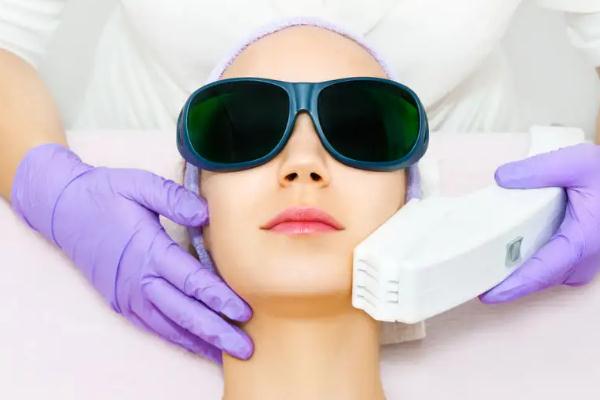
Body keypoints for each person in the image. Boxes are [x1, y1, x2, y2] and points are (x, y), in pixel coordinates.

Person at [1, 0, 600, 369]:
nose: (303, 167)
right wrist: (49, 186)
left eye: (355, 134)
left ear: (413, 193)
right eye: (257, 136)